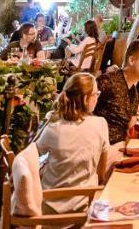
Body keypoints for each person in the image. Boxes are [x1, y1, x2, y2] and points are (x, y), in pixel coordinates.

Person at [35, 73, 112, 214]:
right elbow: (101, 175)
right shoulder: (100, 124)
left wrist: (47, 122)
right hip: (84, 206)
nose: (97, 98)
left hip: (49, 209)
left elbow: (31, 155)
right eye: (96, 94)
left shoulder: (53, 129)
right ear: (85, 98)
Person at [93, 39, 139, 144]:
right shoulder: (108, 81)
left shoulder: (133, 93)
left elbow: (131, 129)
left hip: (120, 149)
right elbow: (81, 112)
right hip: (101, 149)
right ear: (131, 60)